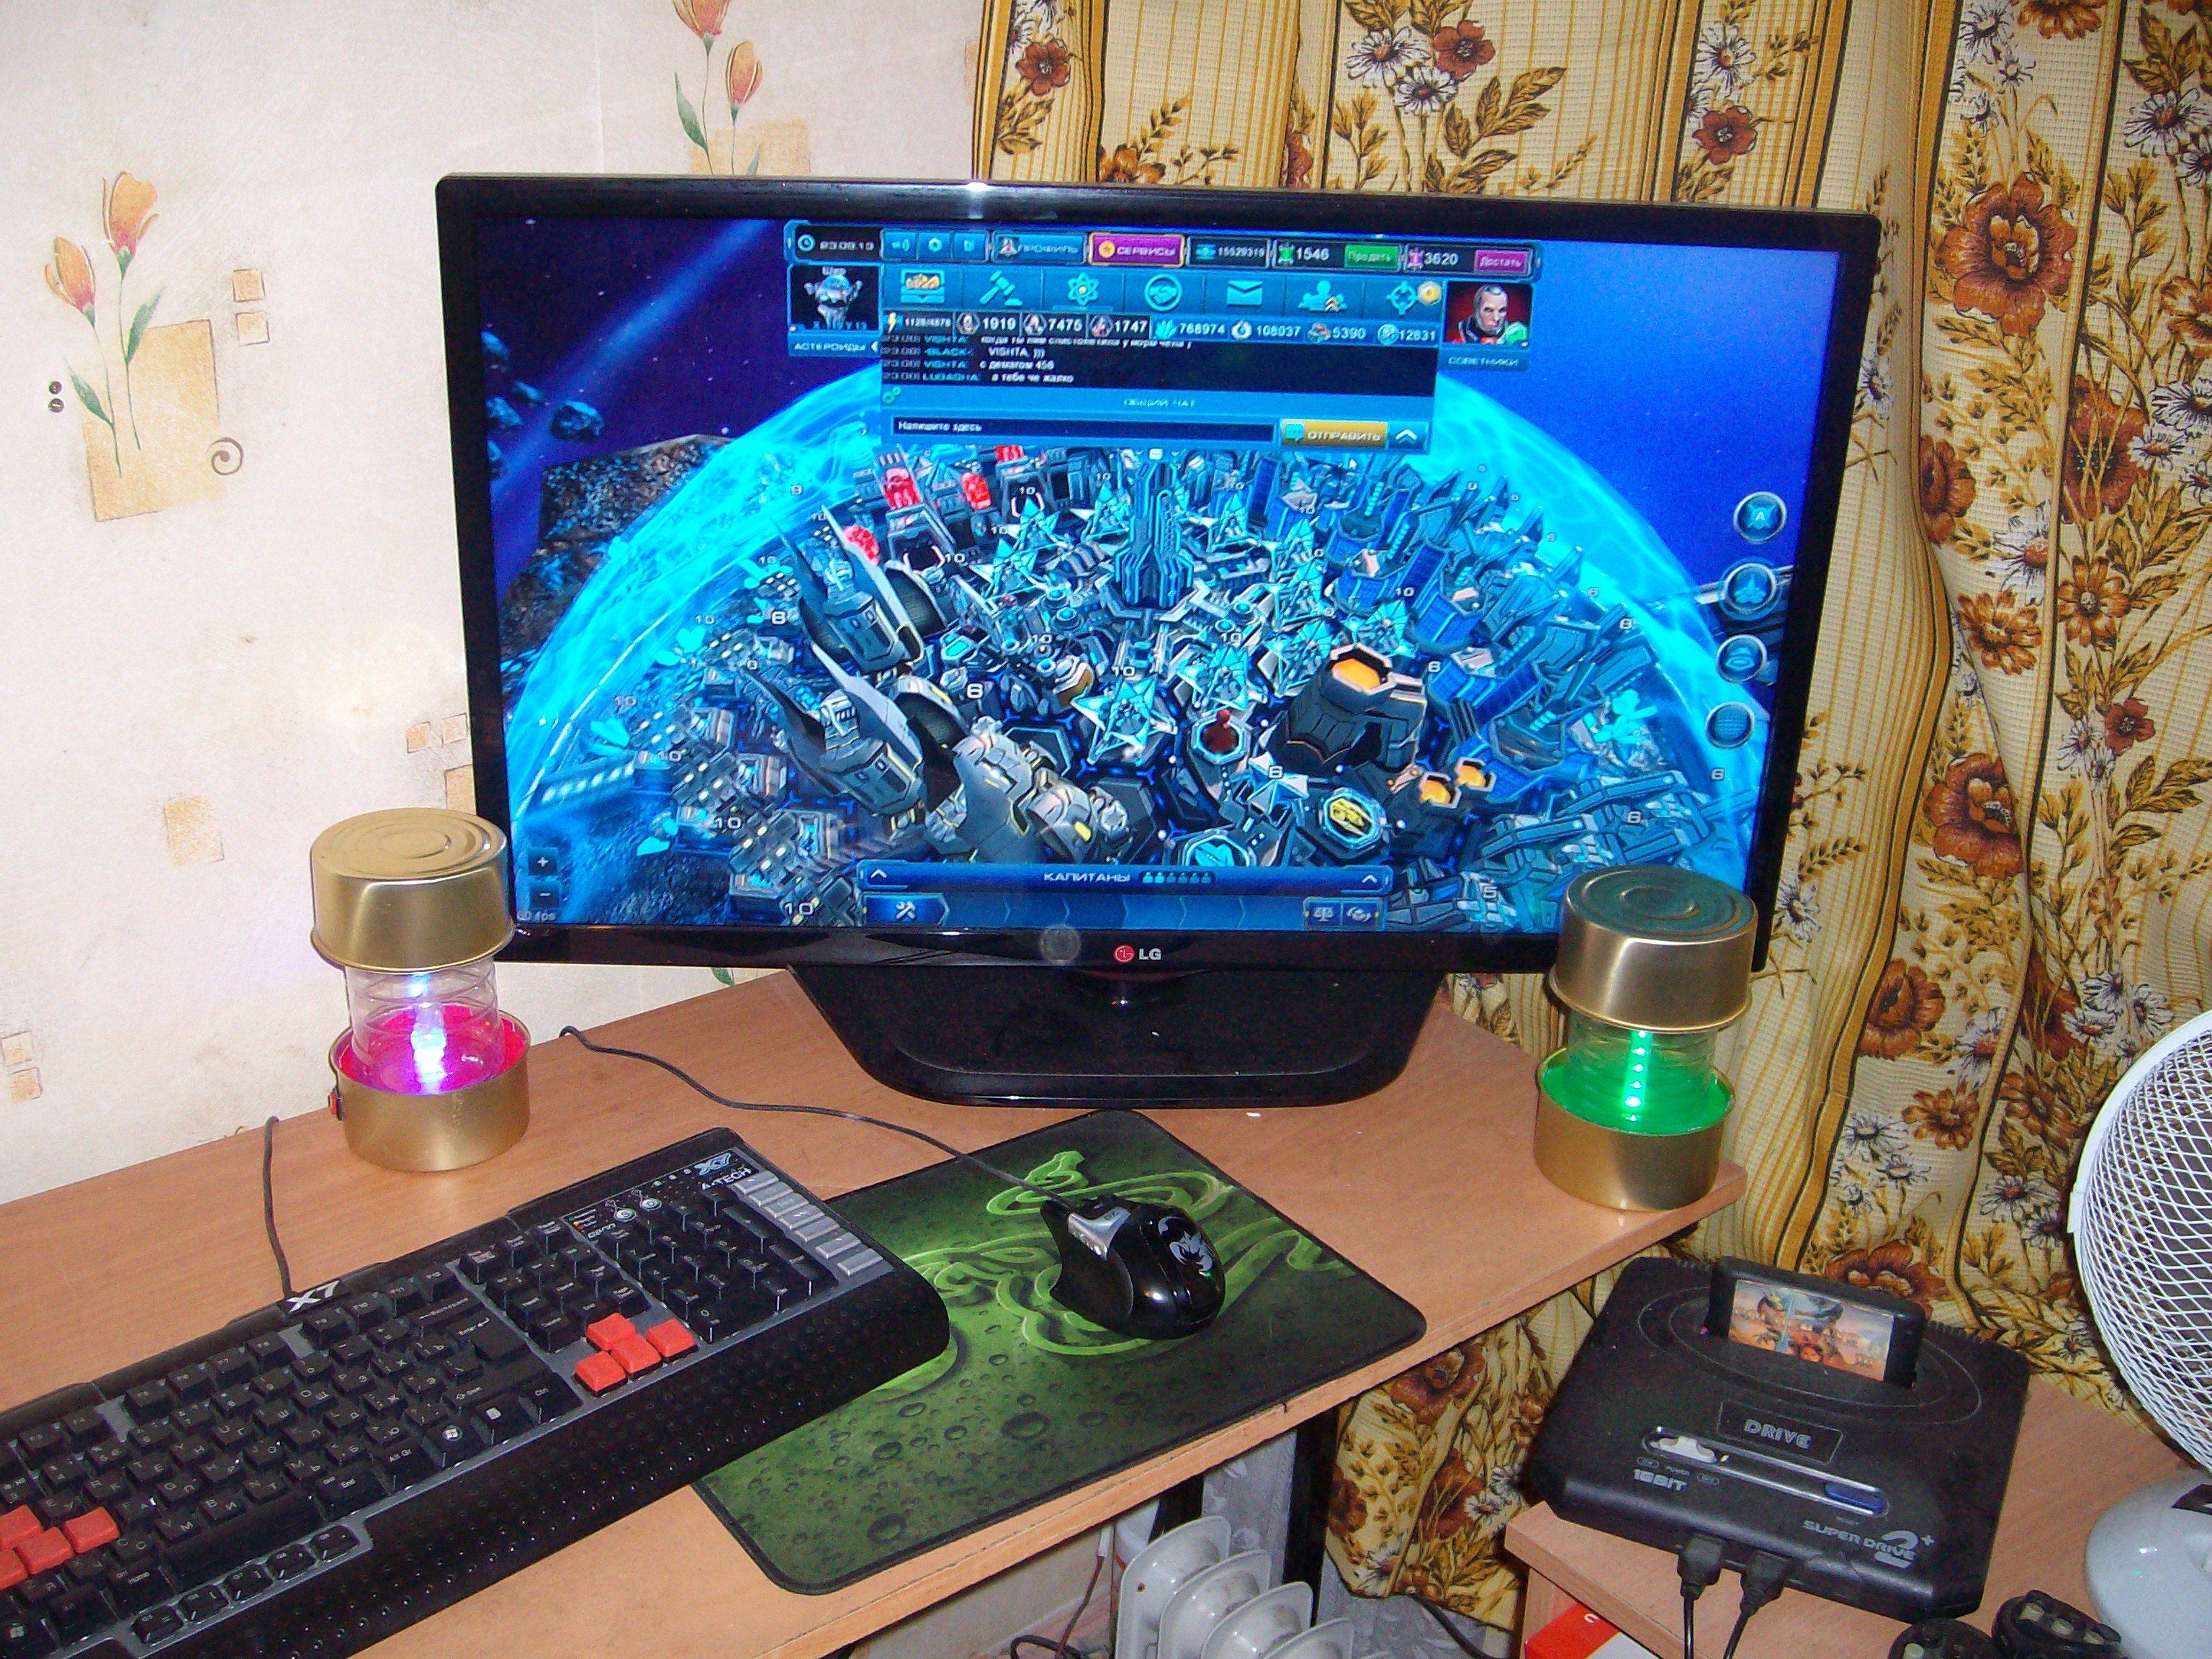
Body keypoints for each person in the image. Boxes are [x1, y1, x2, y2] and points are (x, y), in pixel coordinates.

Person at [1455, 283, 1528, 346]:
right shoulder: (1458, 333)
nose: (1496, 319)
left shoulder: (1516, 332)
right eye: (1489, 310)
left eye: (1502, 310)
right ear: (1477, 311)